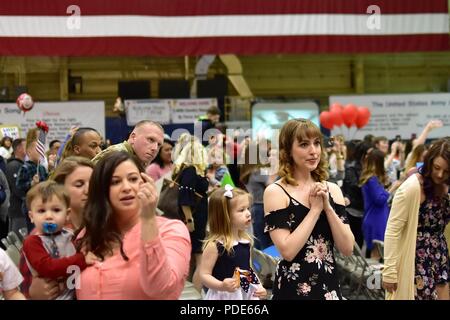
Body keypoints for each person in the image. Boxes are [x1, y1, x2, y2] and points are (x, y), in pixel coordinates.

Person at [76, 151, 191, 299]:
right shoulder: (89, 234)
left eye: (133, 179)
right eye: (115, 182)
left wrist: (148, 218)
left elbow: (161, 289)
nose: (126, 187)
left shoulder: (171, 230)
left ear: (145, 182)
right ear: (102, 190)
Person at [263, 119, 354, 300]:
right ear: (287, 150)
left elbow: (347, 248)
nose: (313, 151)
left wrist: (328, 208)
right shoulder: (276, 192)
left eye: (317, 143)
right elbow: (287, 252)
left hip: (329, 286)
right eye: (304, 144)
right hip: (293, 289)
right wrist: (314, 211)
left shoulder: (332, 189)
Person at [382, 138, 450, 300]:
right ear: (429, 163)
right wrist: (389, 270)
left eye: (446, 171)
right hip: (414, 257)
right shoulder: (412, 187)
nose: (440, 174)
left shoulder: (446, 186)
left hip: (440, 255)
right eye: (437, 168)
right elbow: (392, 230)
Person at [25, 157, 94, 299]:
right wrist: (32, 291)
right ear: (61, 189)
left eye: (94, 184)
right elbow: (22, 283)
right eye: (79, 184)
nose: (88, 190)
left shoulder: (104, 226)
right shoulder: (38, 235)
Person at [199, 185, 267, 300]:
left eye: (248, 208)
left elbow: (248, 270)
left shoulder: (245, 242)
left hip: (244, 293)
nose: (248, 213)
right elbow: (204, 275)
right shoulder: (215, 245)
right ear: (224, 216)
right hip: (224, 295)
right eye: (241, 210)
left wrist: (259, 286)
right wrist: (221, 285)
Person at [171, 133, 209, 293]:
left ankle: (189, 293)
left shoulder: (187, 171)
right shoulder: (190, 171)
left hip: (194, 218)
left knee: (193, 259)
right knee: (200, 259)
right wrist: (189, 220)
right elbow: (184, 198)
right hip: (194, 219)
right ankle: (195, 295)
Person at [92, 120, 164, 168]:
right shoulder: (115, 156)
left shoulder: (138, 159)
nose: (155, 148)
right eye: (151, 140)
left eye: (159, 145)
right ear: (133, 137)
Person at [359, 148, 390, 259]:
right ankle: (375, 277)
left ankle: (375, 277)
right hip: (376, 220)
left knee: (377, 253)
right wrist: (390, 190)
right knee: (376, 255)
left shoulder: (372, 178)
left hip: (375, 218)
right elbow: (379, 200)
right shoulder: (372, 179)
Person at [16, 128, 48, 233]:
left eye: (42, 150)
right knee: (33, 229)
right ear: (29, 152)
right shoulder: (25, 167)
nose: (41, 153)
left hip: (43, 202)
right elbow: (19, 186)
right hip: (30, 204)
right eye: (37, 150)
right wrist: (31, 183)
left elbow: (48, 182)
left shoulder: (42, 168)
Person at [5, 138, 26, 235]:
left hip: (22, 210)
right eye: (26, 145)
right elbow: (18, 189)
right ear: (19, 148)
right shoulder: (14, 165)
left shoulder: (21, 164)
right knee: (19, 239)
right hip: (18, 210)